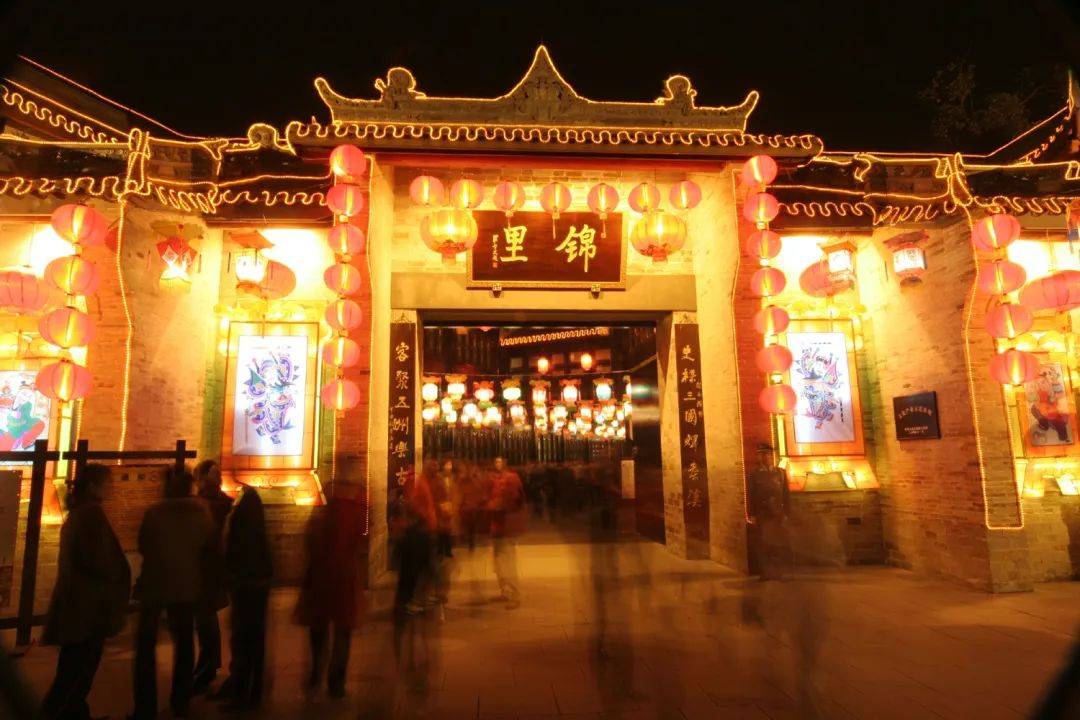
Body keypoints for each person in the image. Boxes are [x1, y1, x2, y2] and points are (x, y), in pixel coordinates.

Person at [40, 464, 130, 720]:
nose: (112, 487)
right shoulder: (90, 515)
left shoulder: (81, 513)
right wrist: (117, 576)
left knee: (74, 669)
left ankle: (75, 713)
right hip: (88, 607)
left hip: (82, 605)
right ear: (93, 486)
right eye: (107, 482)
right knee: (77, 671)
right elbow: (98, 560)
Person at [132, 465, 215, 719]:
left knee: (146, 647)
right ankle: (181, 699)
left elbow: (144, 545)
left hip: (156, 585)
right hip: (187, 585)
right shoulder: (201, 514)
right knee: (185, 643)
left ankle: (145, 707)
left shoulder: (155, 513)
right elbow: (209, 549)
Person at [297, 488, 365, 698]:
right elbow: (357, 546)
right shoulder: (353, 513)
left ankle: (317, 672)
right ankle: (336, 682)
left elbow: (310, 543)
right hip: (344, 582)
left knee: (319, 630)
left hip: (321, 582)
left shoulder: (320, 516)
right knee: (342, 632)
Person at [215, 484, 273, 711]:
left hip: (243, 588)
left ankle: (240, 694)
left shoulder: (239, 528)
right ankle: (255, 691)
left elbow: (230, 556)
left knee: (241, 641)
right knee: (256, 642)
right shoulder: (260, 532)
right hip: (259, 588)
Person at [192, 460, 232, 695]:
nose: (219, 477)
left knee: (205, 619)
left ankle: (207, 666)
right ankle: (209, 664)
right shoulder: (219, 502)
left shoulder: (207, 504)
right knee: (206, 619)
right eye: (216, 473)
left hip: (207, 569)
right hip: (209, 568)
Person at [392, 464, 435, 645]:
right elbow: (413, 506)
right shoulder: (416, 482)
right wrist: (423, 518)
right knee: (413, 574)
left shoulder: (420, 482)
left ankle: (409, 604)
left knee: (413, 575)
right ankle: (408, 605)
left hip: (418, 534)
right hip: (417, 535)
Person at [746, 443, 791, 580]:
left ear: (772, 456)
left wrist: (786, 513)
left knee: (778, 543)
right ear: (759, 457)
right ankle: (765, 573)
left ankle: (779, 572)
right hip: (762, 513)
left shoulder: (780, 473)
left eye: (769, 455)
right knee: (763, 544)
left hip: (777, 513)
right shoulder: (754, 474)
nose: (766, 457)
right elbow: (751, 495)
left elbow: (786, 495)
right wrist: (752, 514)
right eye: (763, 455)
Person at [487, 457, 525, 609]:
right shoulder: (495, 479)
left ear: (505, 463)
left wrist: (493, 505)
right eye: (495, 462)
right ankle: (505, 591)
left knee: (508, 562)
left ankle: (515, 595)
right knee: (499, 563)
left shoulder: (511, 478)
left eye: (499, 462)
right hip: (497, 526)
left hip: (507, 527)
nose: (497, 464)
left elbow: (512, 501)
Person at [429, 459, 456, 619]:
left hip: (439, 527)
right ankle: (439, 600)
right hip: (436, 527)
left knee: (440, 564)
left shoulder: (437, 482)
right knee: (439, 565)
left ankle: (439, 601)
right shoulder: (436, 482)